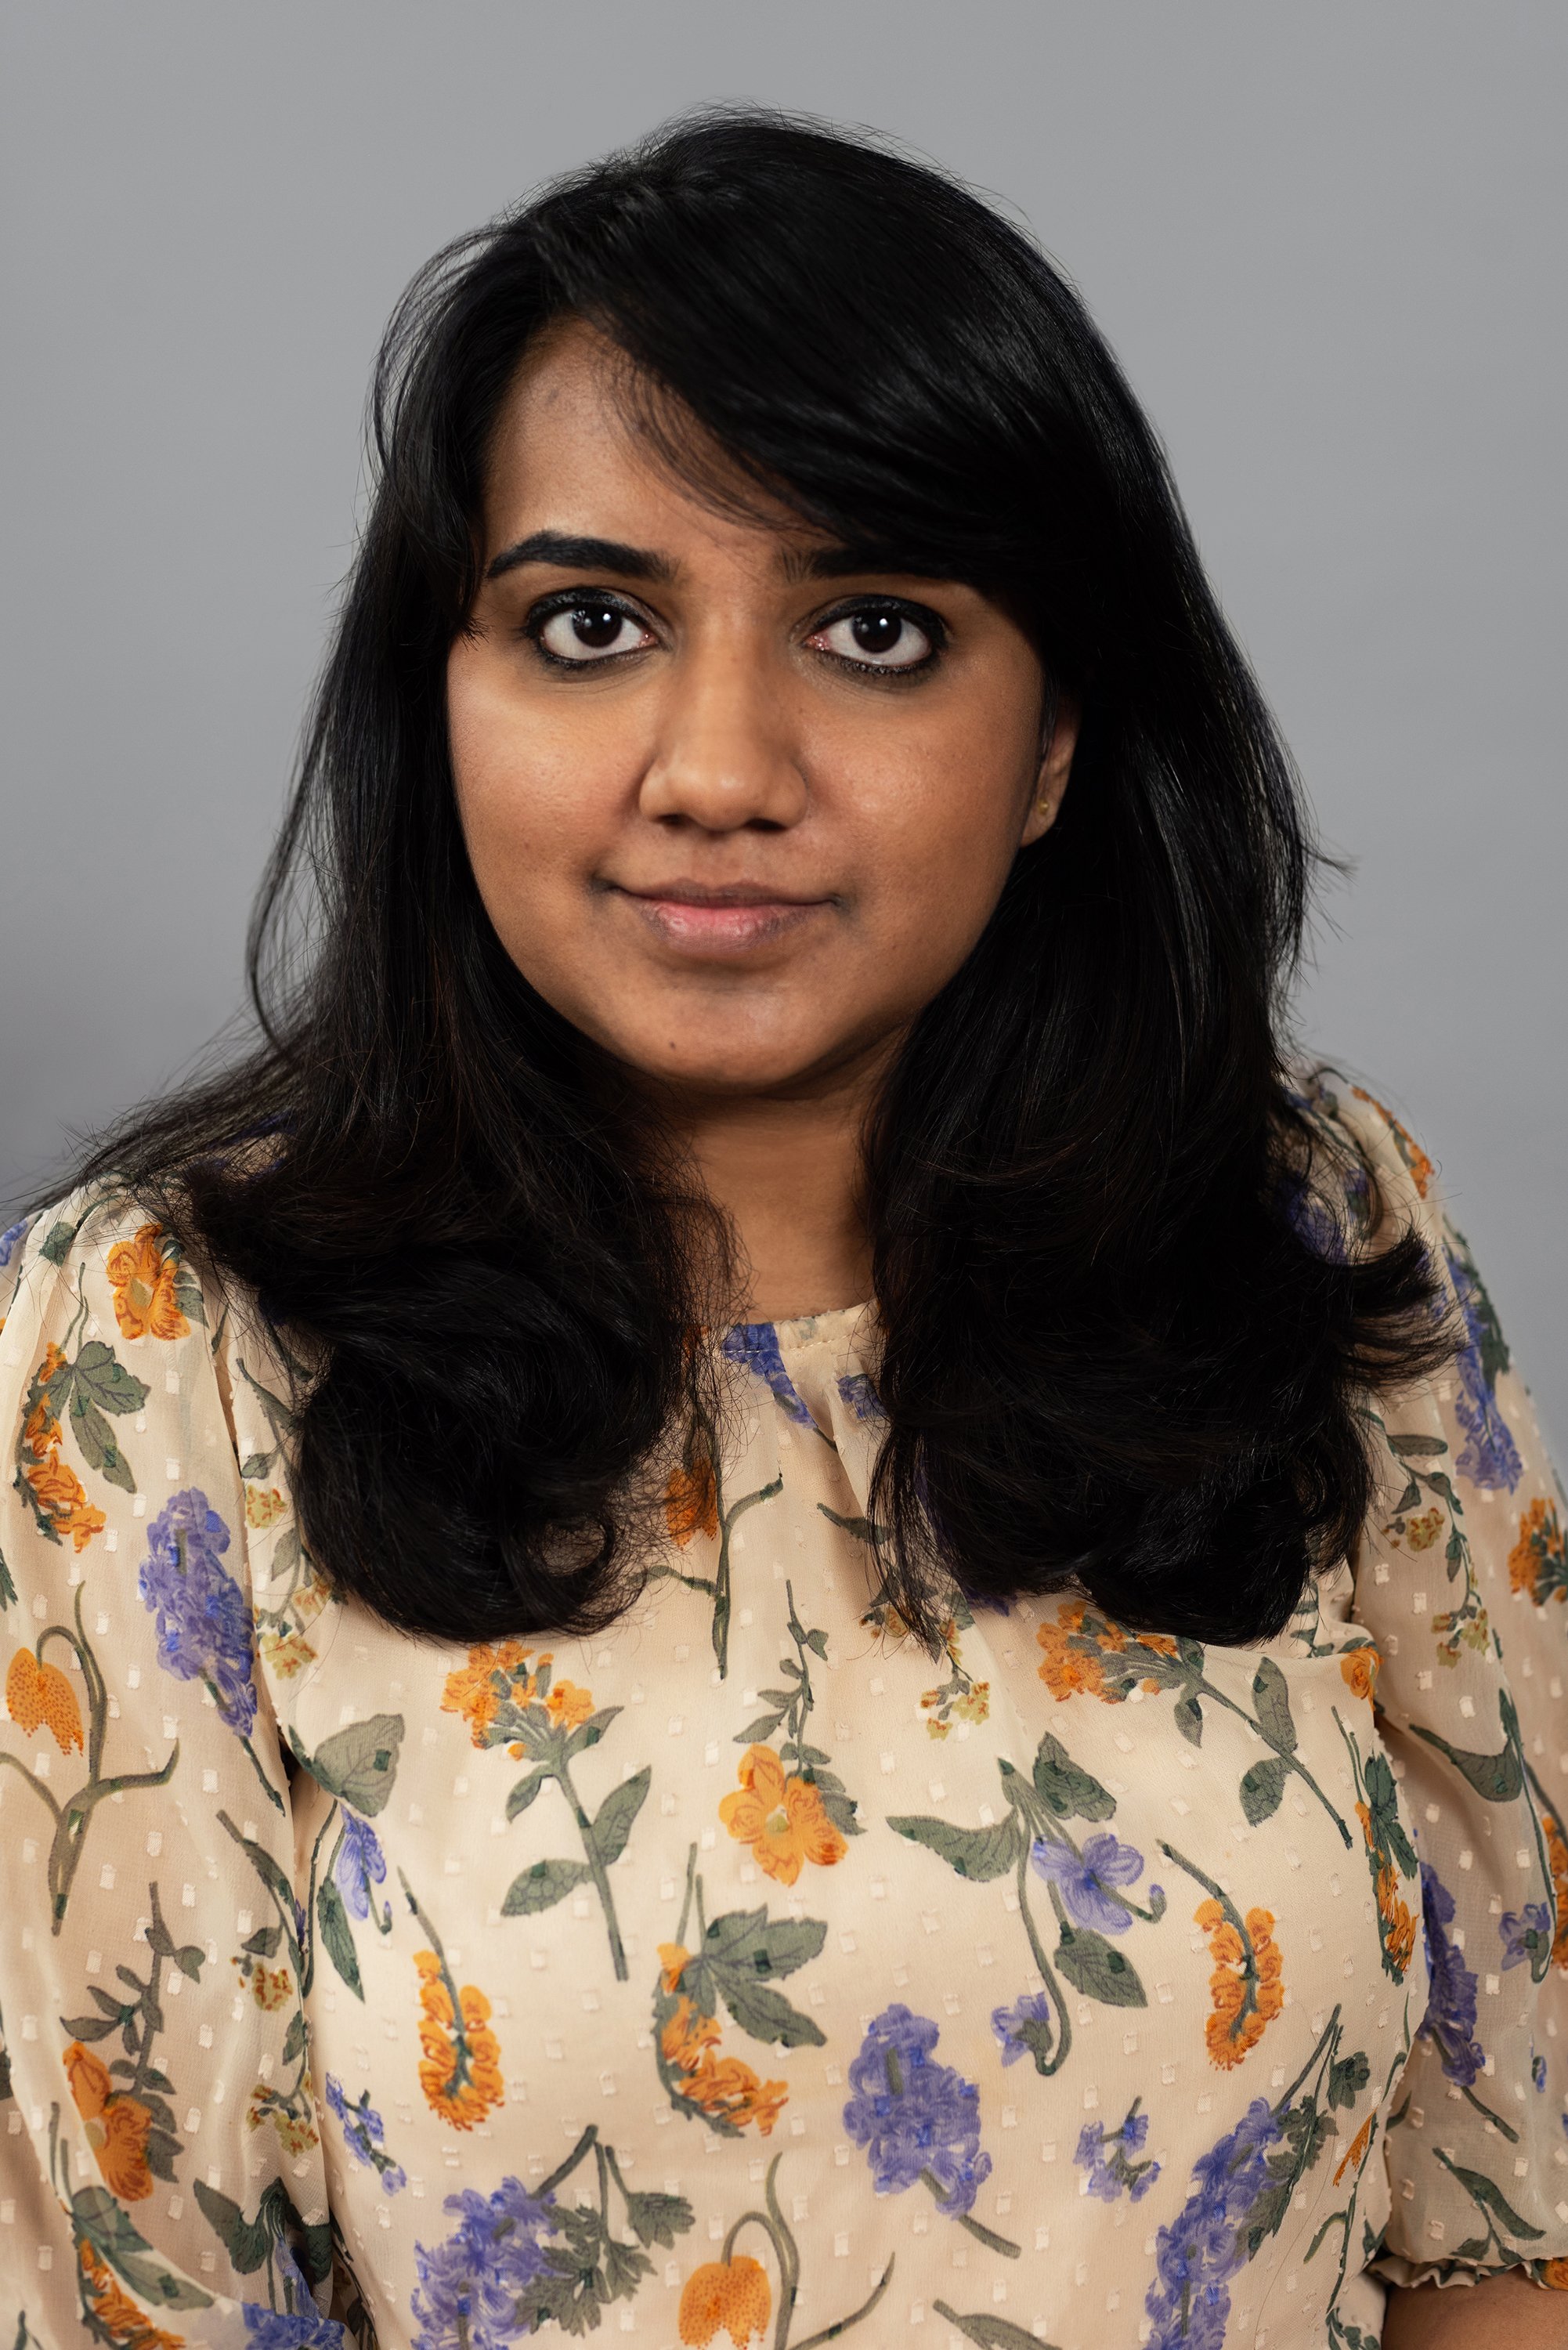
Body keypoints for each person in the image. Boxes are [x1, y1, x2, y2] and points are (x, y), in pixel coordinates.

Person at [1, 109, 1562, 2350]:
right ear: (435, 702)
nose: (716, 762)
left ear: (1050, 748)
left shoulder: (1308, 1232)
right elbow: (124, 2293)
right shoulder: (159, 1342)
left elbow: (1509, 2214)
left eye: (872, 626)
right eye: (590, 620)